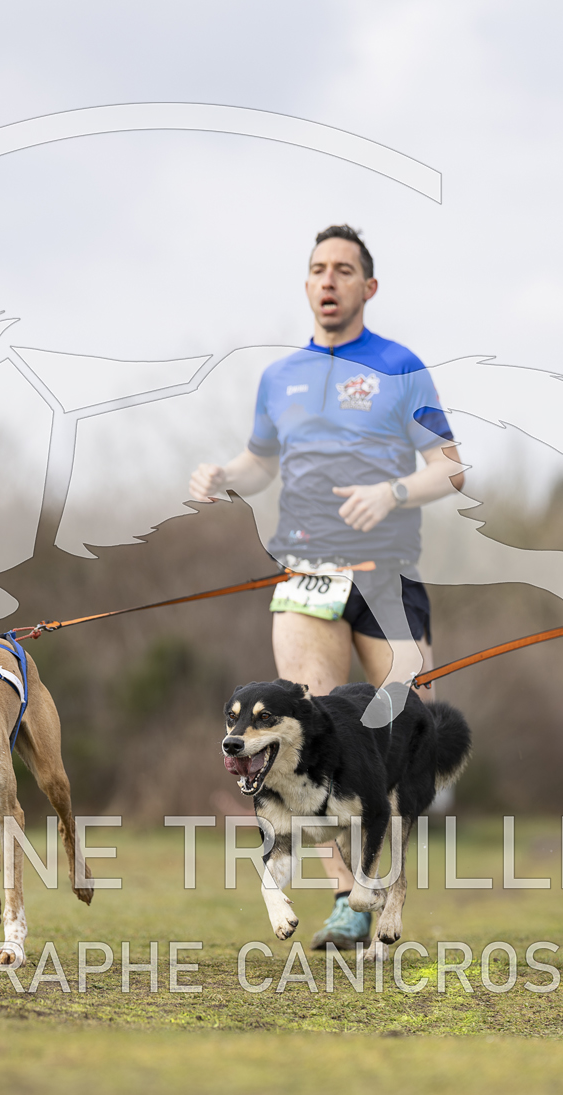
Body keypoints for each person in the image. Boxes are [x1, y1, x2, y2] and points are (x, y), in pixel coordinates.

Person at [188, 223, 465, 949]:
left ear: (368, 287)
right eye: (318, 268)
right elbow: (259, 464)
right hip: (308, 575)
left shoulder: (400, 366)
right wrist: (224, 476)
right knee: (307, 725)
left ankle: (386, 894)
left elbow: (449, 468)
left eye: (343, 269)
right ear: (307, 284)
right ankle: (347, 898)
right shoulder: (279, 377)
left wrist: (391, 493)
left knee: (408, 726)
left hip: (388, 573)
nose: (329, 280)